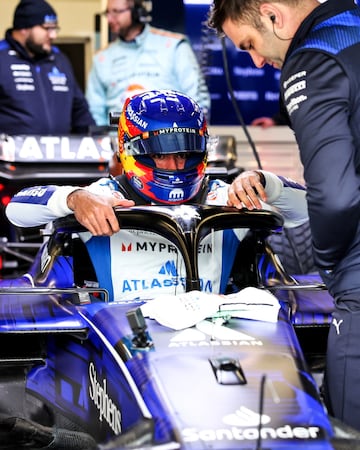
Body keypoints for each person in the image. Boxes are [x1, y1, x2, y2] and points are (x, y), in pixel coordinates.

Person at [208, 0, 360, 431]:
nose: (257, 61)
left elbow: (335, 197)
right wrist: (271, 186)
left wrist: (330, 264)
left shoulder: (311, 59)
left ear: (273, 14)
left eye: (251, 44)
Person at [5, 89, 308, 301]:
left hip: (215, 335)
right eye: (160, 155)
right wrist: (73, 198)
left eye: (186, 154)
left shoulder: (224, 197)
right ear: (130, 150)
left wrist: (263, 182)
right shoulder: (102, 196)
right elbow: (16, 209)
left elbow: (308, 209)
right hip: (123, 343)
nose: (174, 166)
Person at [86, 0, 211, 126]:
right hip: (117, 141)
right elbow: (94, 113)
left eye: (116, 12)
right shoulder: (101, 58)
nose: (110, 19)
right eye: (107, 13)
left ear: (137, 12)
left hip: (170, 140)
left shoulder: (173, 46)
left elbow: (197, 102)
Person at [0, 0, 95, 135]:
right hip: (10, 155)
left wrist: (96, 142)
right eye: (47, 28)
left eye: (55, 28)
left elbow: (80, 112)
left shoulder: (60, 60)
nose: (53, 35)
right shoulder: (2, 58)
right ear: (24, 28)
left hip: (60, 154)